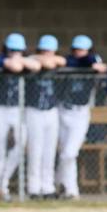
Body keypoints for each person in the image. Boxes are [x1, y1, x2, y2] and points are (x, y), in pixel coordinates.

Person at [0, 33, 42, 201]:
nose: (15, 53)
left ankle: (1, 181)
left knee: (22, 142)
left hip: (16, 109)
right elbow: (4, 64)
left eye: (18, 50)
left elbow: (36, 66)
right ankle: (1, 190)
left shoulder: (26, 61)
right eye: (12, 50)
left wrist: (21, 59)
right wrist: (13, 61)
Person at [57, 35, 107, 200]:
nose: (78, 52)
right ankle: (69, 190)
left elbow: (98, 64)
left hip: (80, 113)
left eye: (82, 49)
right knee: (65, 152)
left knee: (70, 153)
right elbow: (67, 62)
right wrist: (83, 62)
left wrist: (89, 62)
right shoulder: (69, 61)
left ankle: (66, 186)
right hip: (63, 110)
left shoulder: (91, 60)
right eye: (76, 49)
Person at [26, 35, 66, 199]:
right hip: (34, 111)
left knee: (49, 151)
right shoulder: (31, 62)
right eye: (43, 49)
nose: (46, 53)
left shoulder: (57, 62)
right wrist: (40, 58)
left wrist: (48, 58)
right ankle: (34, 188)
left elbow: (57, 62)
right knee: (36, 150)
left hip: (51, 111)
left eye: (49, 50)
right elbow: (41, 62)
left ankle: (47, 187)